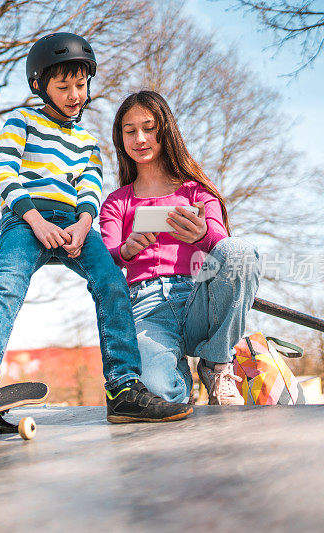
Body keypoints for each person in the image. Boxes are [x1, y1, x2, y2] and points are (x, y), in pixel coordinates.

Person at [0, 34, 193, 423]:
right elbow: (2, 170)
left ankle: (123, 385)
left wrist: (85, 226)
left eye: (81, 85)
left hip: (75, 224)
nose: (74, 95)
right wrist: (34, 220)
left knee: (112, 283)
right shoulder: (22, 121)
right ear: (40, 86)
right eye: (63, 86)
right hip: (25, 217)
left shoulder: (87, 142)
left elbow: (90, 189)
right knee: (9, 280)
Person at [99, 90, 261, 405]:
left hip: (200, 299)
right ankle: (179, 386)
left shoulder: (197, 191)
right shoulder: (117, 202)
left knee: (239, 251)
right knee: (157, 394)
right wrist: (127, 250)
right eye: (130, 131)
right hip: (147, 308)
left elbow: (223, 246)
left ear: (166, 131)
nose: (140, 138)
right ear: (121, 140)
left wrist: (201, 235)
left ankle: (217, 365)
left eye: (149, 128)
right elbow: (104, 260)